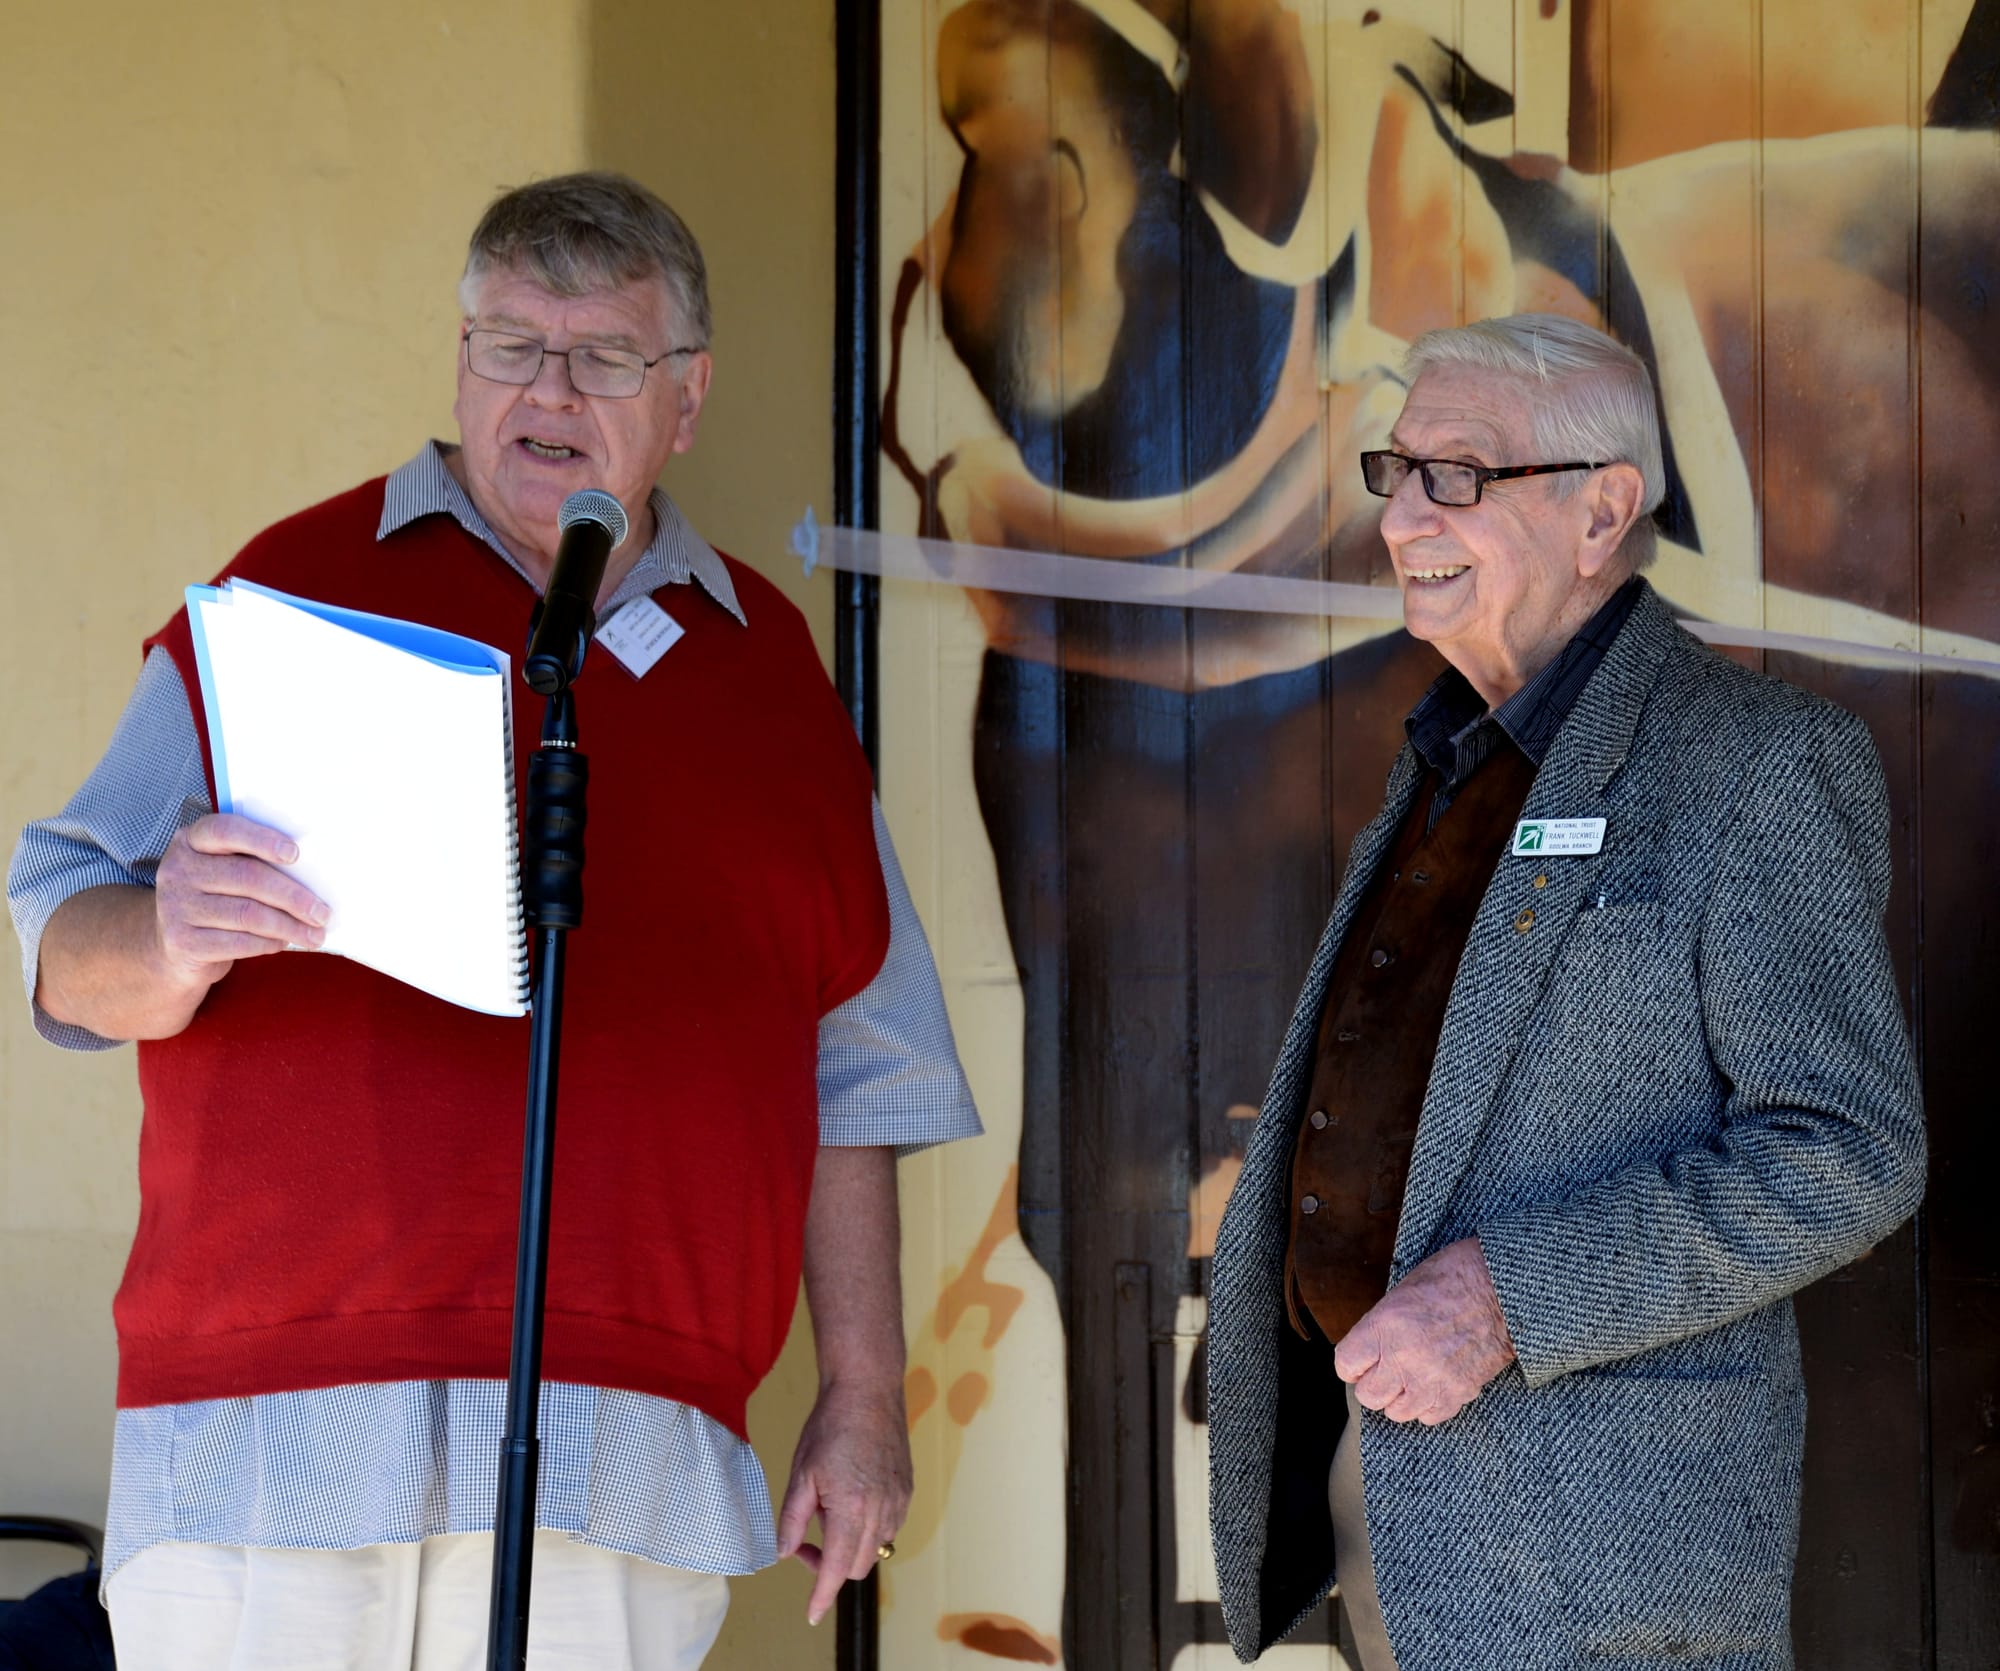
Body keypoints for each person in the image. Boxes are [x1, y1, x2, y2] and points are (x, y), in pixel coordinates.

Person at [6, 171, 981, 1671]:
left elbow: (857, 1063)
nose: (550, 389)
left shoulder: (772, 675)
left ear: (688, 398)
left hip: (624, 1439)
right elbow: (64, 940)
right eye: (512, 344)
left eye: (604, 356)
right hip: (276, 1424)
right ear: (462, 365)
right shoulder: (297, 591)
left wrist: (863, 1395)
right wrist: (175, 932)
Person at [1204, 313, 1926, 1670]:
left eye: (1457, 475)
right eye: (1397, 470)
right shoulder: (1448, 756)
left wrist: (1503, 1301)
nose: (1403, 516)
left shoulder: (1754, 763)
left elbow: (1849, 1152)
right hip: (1394, 1510)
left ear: (1604, 513)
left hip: (1599, 1559)